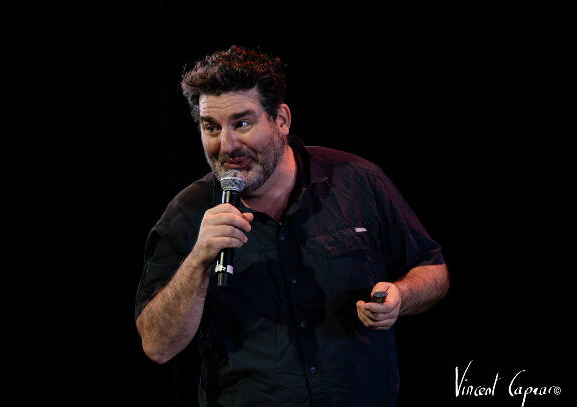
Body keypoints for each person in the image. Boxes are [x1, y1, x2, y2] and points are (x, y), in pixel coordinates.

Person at [135, 45, 449, 407]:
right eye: (211, 127)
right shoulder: (186, 214)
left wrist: (400, 296)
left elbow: (433, 269)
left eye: (242, 123)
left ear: (281, 120)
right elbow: (157, 346)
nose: (227, 145)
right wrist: (198, 262)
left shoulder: (357, 181)